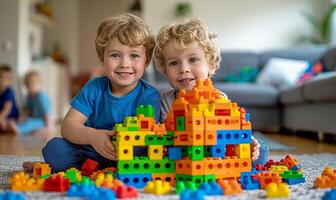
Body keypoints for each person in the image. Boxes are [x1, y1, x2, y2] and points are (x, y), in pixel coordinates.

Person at [23, 13, 160, 172]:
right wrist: (92, 136)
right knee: (54, 148)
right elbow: (68, 126)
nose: (124, 64)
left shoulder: (150, 95)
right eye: (115, 55)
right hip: (91, 151)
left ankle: (90, 170)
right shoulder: (94, 87)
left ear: (147, 60)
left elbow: (146, 137)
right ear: (102, 58)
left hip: (127, 154)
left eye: (134, 55)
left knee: (145, 151)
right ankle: (94, 169)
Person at [154, 19, 268, 164]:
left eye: (193, 60)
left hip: (213, 151)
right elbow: (164, 135)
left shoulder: (219, 98)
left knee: (261, 151)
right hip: (183, 151)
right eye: (174, 63)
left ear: (211, 66)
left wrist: (248, 140)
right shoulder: (165, 100)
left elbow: (233, 127)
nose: (183, 69)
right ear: (164, 70)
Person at [7, 70, 51, 136]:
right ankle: (14, 127)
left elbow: (46, 113)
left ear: (39, 84)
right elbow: (28, 109)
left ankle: (19, 130)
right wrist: (23, 117)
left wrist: (47, 127)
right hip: (32, 118)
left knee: (30, 123)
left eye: (33, 85)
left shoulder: (41, 97)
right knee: (25, 121)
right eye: (28, 86)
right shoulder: (30, 96)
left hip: (41, 121)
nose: (30, 88)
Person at [0, 65, 19, 132]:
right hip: (3, 116)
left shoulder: (8, 91)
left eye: (7, 78)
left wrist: (1, 117)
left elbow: (7, 108)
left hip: (11, 117)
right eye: (1, 77)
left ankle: (10, 128)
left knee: (4, 123)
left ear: (10, 79)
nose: (4, 80)